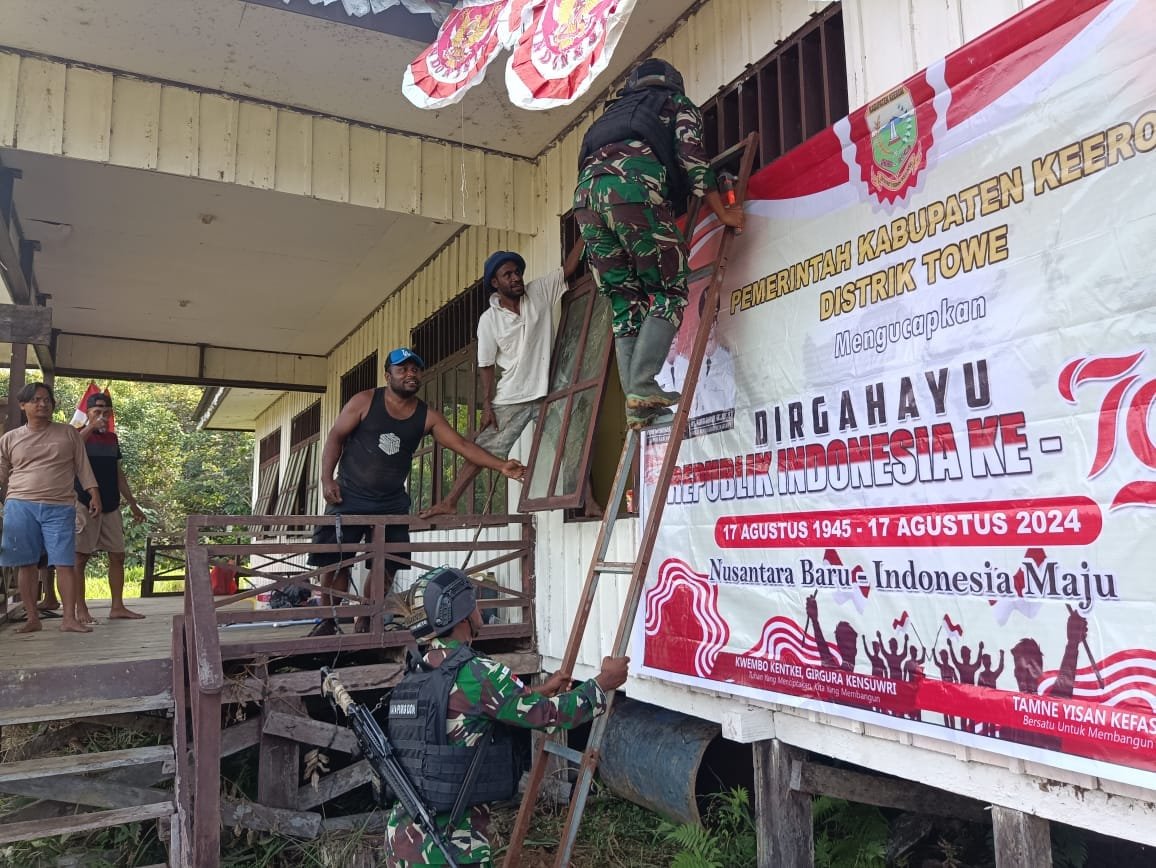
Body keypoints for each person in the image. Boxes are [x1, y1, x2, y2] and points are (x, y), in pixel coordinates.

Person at [383, 566, 629, 866]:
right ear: (461, 610)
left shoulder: (415, 674)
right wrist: (604, 684)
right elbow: (551, 716)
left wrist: (538, 692)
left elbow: (474, 711)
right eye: (472, 599)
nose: (478, 607)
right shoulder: (478, 674)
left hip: (402, 842)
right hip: (450, 845)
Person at [573, 58, 744, 427]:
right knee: (669, 289)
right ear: (673, 83)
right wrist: (724, 212)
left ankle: (636, 404)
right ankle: (643, 386)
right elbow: (693, 160)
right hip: (631, 189)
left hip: (585, 202)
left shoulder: (607, 119)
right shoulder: (676, 105)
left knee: (625, 301)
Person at [308, 348, 524, 636]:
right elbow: (336, 436)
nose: (410, 374)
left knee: (387, 564)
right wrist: (326, 479)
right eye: (402, 369)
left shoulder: (426, 416)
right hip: (348, 496)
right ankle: (328, 622)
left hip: (391, 502)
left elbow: (462, 446)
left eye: (415, 369)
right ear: (388, 376)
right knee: (336, 562)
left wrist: (501, 466)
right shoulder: (365, 401)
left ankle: (366, 622)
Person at [421, 243, 584, 519]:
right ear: (495, 283)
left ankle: (587, 500)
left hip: (550, 391)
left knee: (573, 441)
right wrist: (486, 403)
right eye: (508, 274)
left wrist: (588, 224)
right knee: (482, 449)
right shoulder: (488, 321)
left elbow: (569, 268)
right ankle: (449, 502)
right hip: (512, 396)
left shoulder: (539, 291)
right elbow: (485, 365)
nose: (516, 277)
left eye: (517, 272)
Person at [0, 383, 101, 634]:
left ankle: (69, 619)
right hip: (20, 505)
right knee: (26, 563)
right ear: (23, 406)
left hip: (60, 506)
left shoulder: (69, 434)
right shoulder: (10, 438)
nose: (43, 404)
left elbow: (83, 467)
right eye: (35, 400)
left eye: (47, 400)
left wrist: (93, 494)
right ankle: (32, 618)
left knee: (65, 563)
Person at [74, 391, 147, 623]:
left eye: (106, 413)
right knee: (80, 558)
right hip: (83, 503)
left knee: (118, 555)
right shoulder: (77, 435)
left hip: (111, 503)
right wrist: (90, 427)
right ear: (88, 413)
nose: (102, 417)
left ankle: (118, 607)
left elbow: (118, 474)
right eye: (97, 412)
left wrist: (134, 504)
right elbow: (72, 450)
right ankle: (81, 610)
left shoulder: (112, 439)